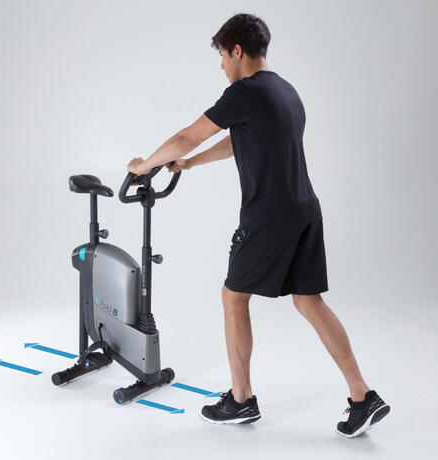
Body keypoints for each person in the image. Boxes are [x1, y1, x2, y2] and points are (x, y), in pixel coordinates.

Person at [126, 13, 390, 437]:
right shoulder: (285, 91)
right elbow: (239, 140)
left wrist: (144, 165)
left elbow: (187, 135)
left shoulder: (244, 92)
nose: (221, 65)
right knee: (309, 301)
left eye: (221, 55)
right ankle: (364, 397)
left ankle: (241, 399)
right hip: (305, 211)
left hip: (268, 217)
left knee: (233, 297)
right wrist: (190, 164)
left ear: (237, 50)